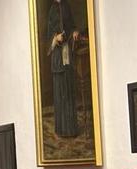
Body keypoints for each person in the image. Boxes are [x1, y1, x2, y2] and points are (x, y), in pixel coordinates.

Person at [47, 0, 80, 137]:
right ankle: (61, 130)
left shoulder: (66, 6)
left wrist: (74, 32)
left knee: (69, 92)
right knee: (61, 93)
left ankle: (71, 129)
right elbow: (48, 35)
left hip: (67, 53)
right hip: (57, 56)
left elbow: (72, 25)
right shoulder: (52, 10)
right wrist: (55, 38)